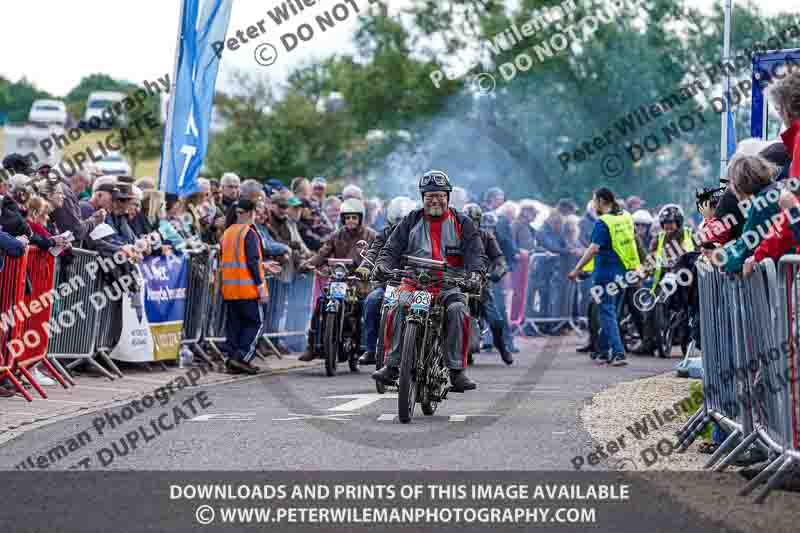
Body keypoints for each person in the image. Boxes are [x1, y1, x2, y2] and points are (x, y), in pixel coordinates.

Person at [371, 170, 485, 392]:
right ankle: (392, 365)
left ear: (448, 197)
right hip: (413, 283)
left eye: (440, 195)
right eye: (430, 195)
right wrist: (383, 266)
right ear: (422, 198)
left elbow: (476, 255)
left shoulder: (463, 223)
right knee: (397, 306)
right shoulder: (410, 220)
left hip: (449, 285)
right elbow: (391, 249)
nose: (435, 200)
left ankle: (456, 371)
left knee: (458, 311)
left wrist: (475, 275)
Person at [297, 198, 377, 361]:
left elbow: (377, 256)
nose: (351, 221)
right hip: (339, 280)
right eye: (347, 218)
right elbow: (322, 252)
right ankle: (312, 346)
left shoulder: (371, 235)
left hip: (361, 282)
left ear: (360, 218)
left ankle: (367, 347)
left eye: (354, 217)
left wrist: (372, 270)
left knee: (365, 307)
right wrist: (307, 264)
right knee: (321, 304)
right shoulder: (336, 235)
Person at [568, 188, 640, 366]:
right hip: (624, 272)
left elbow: (593, 249)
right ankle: (601, 350)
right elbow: (632, 244)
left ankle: (618, 353)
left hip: (605, 275)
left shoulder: (603, 222)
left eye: (594, 201)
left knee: (607, 313)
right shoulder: (626, 217)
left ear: (601, 201)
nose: (593, 205)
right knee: (611, 314)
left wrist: (577, 269)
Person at [356, 196, 414, 365]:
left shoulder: (419, 236)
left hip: (413, 285)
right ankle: (370, 349)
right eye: (397, 221)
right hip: (388, 285)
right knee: (371, 301)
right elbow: (374, 250)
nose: (400, 225)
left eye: (403, 221)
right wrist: (366, 266)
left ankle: (421, 347)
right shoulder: (385, 233)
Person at [219, 199, 270, 374]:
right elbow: (252, 261)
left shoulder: (227, 233)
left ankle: (232, 358)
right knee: (256, 323)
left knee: (234, 326)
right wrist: (261, 286)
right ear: (250, 213)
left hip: (230, 291)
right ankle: (241, 357)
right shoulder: (249, 233)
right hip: (248, 290)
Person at [464, 204, 513, 364]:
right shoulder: (452, 236)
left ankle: (501, 346)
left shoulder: (486, 237)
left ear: (478, 222)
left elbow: (499, 259)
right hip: (455, 283)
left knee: (496, 320)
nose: (470, 225)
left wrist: (497, 272)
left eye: (473, 221)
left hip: (480, 285)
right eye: (466, 221)